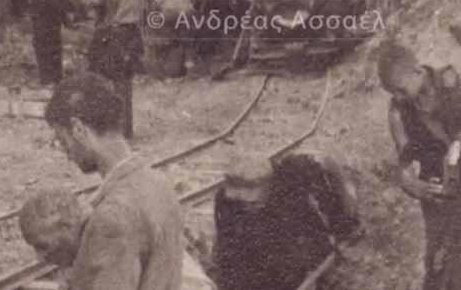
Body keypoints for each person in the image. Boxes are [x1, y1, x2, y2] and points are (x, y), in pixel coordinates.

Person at [378, 42, 461, 290]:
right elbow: (404, 159)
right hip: (446, 204)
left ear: (417, 71)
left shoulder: (452, 83)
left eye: (401, 90)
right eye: (393, 93)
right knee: (441, 275)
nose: (398, 97)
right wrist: (410, 183)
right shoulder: (398, 110)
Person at [41, 73, 184, 289]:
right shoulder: (159, 184)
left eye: (63, 141)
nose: (67, 154)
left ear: (78, 129)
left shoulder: (112, 215)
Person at [212, 154, 361, 290]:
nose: (245, 206)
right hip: (263, 260)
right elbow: (228, 252)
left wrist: (313, 275)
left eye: (252, 202)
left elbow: (320, 240)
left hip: (304, 255)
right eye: (240, 201)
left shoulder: (296, 185)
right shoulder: (226, 201)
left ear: (267, 186)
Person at [20, 187, 217, 290]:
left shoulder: (109, 236)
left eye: (42, 246)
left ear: (66, 226)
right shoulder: (82, 246)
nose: (40, 258)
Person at [82, 0, 147, 139]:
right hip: (134, 34)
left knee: (99, 78)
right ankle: (126, 129)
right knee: (125, 82)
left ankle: (104, 129)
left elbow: (97, 2)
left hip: (114, 33)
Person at [25, 0, 73, 86]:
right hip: (50, 17)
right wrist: (65, 17)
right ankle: (54, 78)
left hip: (44, 16)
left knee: (44, 46)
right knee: (53, 46)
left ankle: (47, 79)